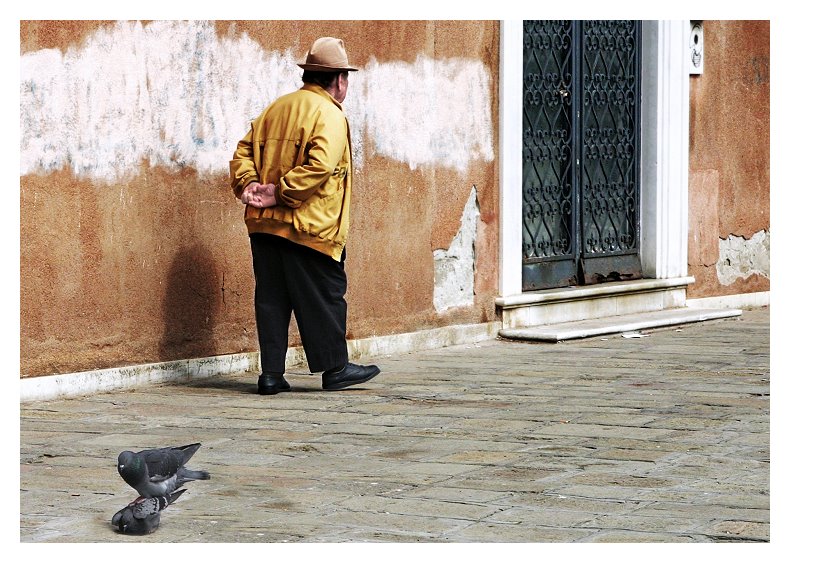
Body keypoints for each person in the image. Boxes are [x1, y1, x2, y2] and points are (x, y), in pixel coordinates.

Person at [229, 37, 380, 394]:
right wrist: (281, 192)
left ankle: (271, 375)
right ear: (340, 80)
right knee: (326, 294)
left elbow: (242, 151)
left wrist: (250, 184)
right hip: (310, 225)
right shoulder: (328, 112)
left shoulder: (276, 107)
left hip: (264, 225)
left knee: (271, 299)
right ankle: (335, 368)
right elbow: (321, 165)